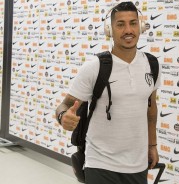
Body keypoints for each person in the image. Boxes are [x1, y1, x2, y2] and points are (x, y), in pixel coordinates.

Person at [55, 2, 160, 184]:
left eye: (133, 23)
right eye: (120, 24)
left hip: (138, 165)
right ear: (109, 30)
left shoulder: (151, 65)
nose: (128, 30)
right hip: (100, 164)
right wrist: (63, 116)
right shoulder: (94, 67)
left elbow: (151, 110)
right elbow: (64, 105)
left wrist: (152, 146)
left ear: (140, 26)